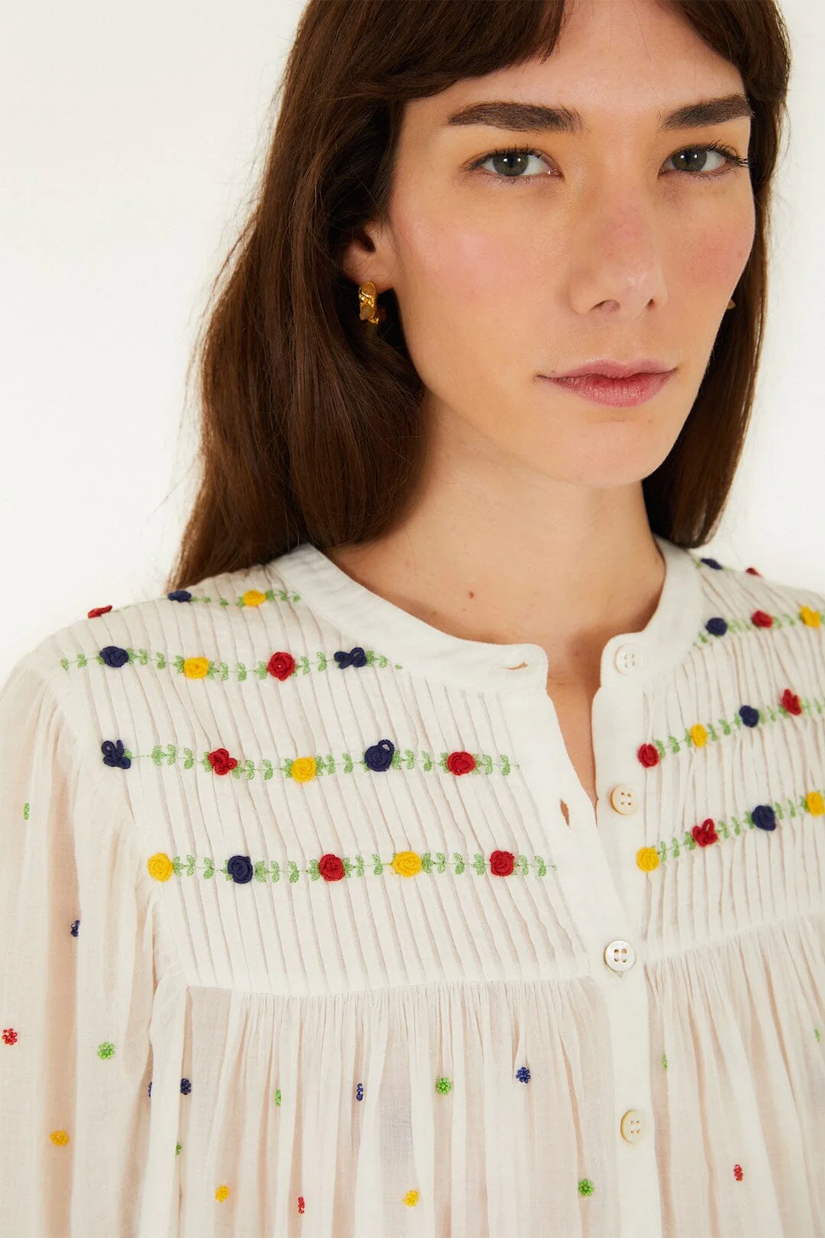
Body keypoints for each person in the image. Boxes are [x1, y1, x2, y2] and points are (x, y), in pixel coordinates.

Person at [1, 0, 822, 1235]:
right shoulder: (110, 748)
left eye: (696, 155)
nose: (631, 273)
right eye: (517, 160)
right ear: (361, 224)